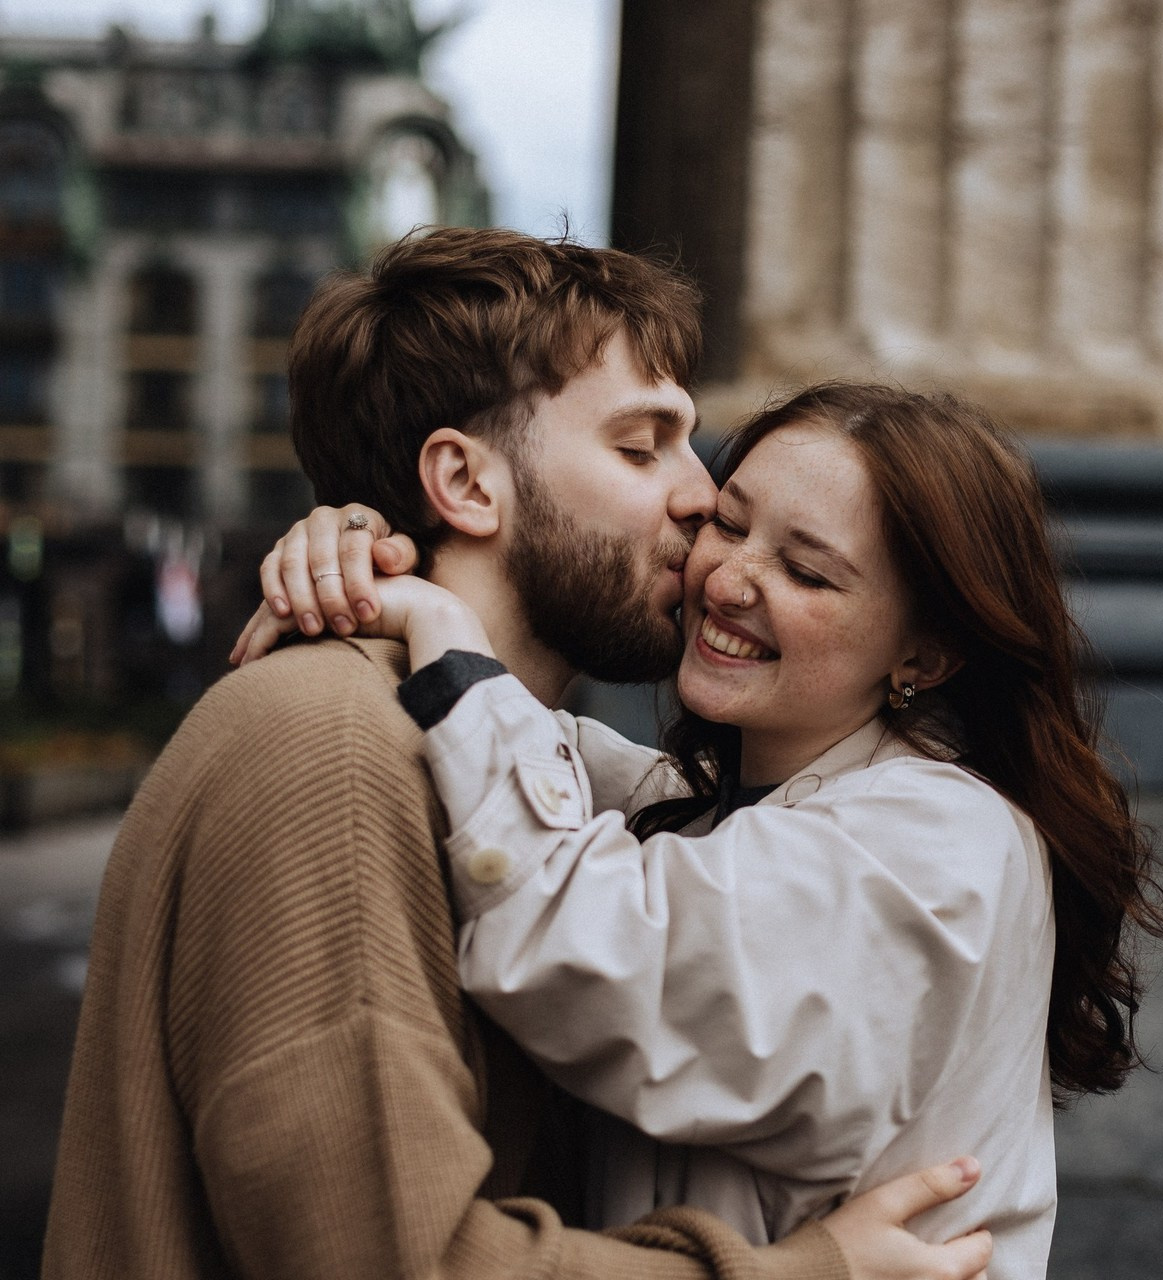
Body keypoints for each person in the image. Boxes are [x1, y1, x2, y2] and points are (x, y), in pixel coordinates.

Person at [42, 230, 994, 1280]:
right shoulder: (334, 746)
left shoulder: (500, 760)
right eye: (641, 447)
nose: (701, 498)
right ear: (463, 481)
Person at [241, 381, 1163, 1280]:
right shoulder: (711, 812)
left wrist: (441, 633)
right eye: (730, 523)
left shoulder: (941, 838)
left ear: (926, 651)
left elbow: (593, 953)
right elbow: (538, 760)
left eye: (807, 571)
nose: (730, 579)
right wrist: (367, 552)